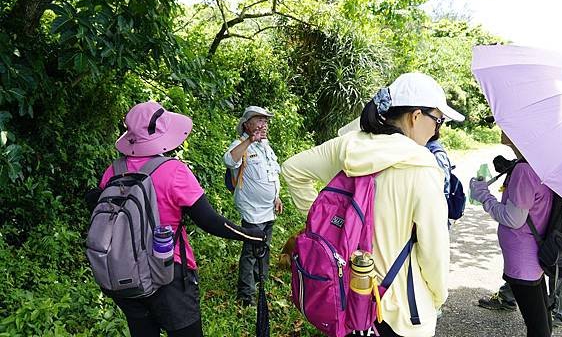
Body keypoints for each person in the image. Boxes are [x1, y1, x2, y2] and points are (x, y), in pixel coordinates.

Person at [282, 72, 465, 337]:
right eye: (438, 120)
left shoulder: (351, 145)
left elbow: (293, 170)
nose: (438, 130)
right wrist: (437, 297)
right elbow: (434, 251)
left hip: (348, 295)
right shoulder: (423, 168)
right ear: (415, 116)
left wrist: (327, 229)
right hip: (400, 312)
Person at [99, 101, 266, 337]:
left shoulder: (113, 170)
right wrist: (251, 235)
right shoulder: (173, 171)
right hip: (168, 275)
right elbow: (209, 221)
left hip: (125, 273)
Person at [470, 130, 553, 337]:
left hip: (523, 260)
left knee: (537, 327)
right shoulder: (538, 163)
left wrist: (484, 197)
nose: (500, 127)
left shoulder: (525, 169)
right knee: (542, 319)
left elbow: (514, 219)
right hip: (535, 256)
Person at [223, 105, 283, 307]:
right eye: (259, 120)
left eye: (265, 121)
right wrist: (250, 140)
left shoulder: (266, 146)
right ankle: (245, 296)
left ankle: (261, 281)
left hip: (268, 209)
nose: (264, 124)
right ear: (246, 125)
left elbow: (272, 173)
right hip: (252, 210)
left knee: (264, 246)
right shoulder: (241, 144)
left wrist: (277, 196)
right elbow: (229, 161)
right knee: (250, 252)